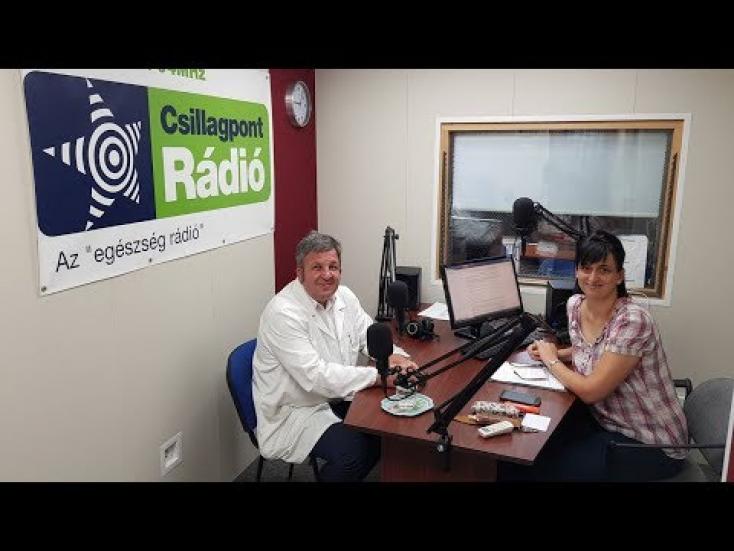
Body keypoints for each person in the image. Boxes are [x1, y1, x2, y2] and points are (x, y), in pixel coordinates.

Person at [502, 230, 688, 481]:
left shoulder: (632, 321)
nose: (593, 277)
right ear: (576, 271)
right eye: (586, 268)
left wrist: (551, 359)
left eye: (604, 270)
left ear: (619, 275)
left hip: (650, 443)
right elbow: (592, 350)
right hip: (606, 422)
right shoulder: (576, 305)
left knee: (536, 468)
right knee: (521, 448)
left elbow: (592, 391)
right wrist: (558, 353)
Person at [252, 230, 417, 482]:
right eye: (317, 267)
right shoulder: (283, 313)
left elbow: (367, 335)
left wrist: (397, 358)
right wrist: (380, 376)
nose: (327, 275)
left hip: (336, 395)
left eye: (333, 266)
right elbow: (316, 377)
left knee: (386, 430)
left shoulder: (344, 297)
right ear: (300, 273)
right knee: (354, 454)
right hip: (297, 410)